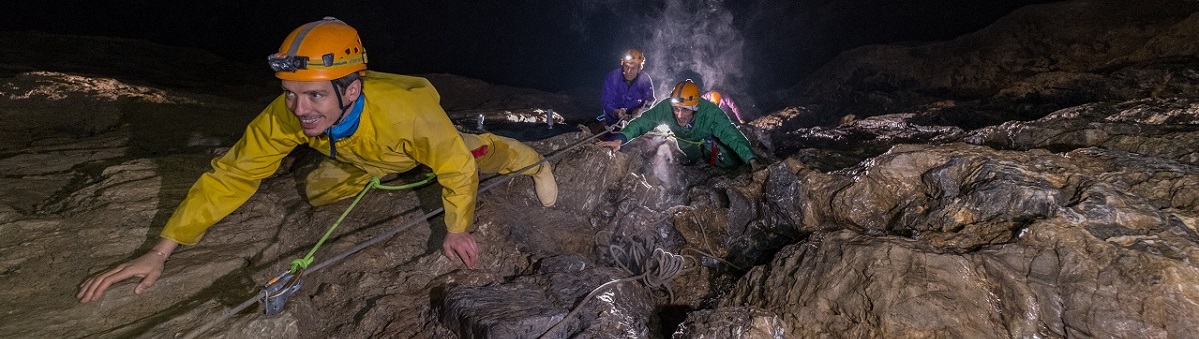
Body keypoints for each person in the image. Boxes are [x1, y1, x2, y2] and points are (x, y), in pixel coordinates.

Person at [77, 17, 557, 303]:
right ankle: (387, 174)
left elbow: (454, 170)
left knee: (474, 155)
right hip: (370, 161)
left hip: (415, 147)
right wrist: (161, 251)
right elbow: (233, 174)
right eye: (289, 95)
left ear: (351, 89)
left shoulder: (409, 114)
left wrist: (456, 227)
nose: (299, 111)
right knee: (319, 191)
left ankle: (535, 162)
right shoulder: (286, 115)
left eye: (312, 97)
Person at [598, 79, 757, 169]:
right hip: (687, 144)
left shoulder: (711, 113)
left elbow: (732, 135)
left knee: (730, 164)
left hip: (711, 142)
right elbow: (643, 122)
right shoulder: (666, 107)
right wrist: (620, 139)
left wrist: (752, 160)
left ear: (695, 108)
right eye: (676, 109)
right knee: (695, 161)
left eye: (685, 111)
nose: (680, 115)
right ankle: (695, 164)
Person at [597, 48, 654, 133]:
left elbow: (649, 100)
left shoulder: (644, 79)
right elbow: (607, 101)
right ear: (622, 63)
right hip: (613, 121)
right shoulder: (612, 78)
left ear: (639, 68)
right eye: (626, 66)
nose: (628, 71)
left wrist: (639, 110)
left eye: (633, 68)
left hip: (635, 120)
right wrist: (616, 112)